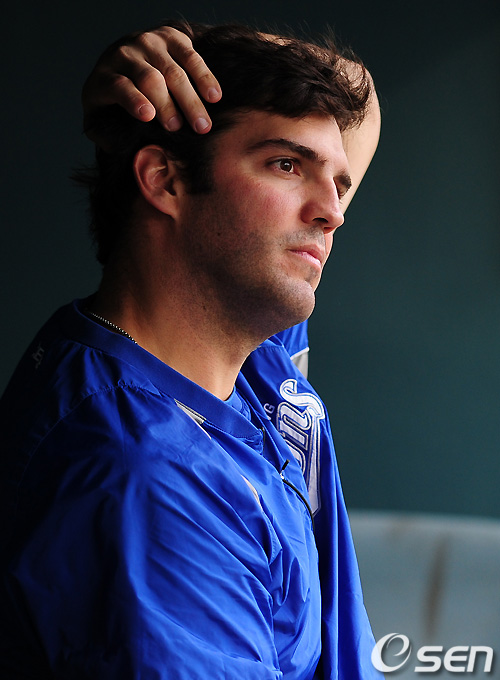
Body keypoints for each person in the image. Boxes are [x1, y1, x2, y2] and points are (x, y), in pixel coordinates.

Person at [0, 20, 381, 680]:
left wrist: (164, 70)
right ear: (165, 181)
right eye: (286, 165)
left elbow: (358, 94)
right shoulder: (149, 484)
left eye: (339, 182)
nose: (332, 211)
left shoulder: (248, 346)